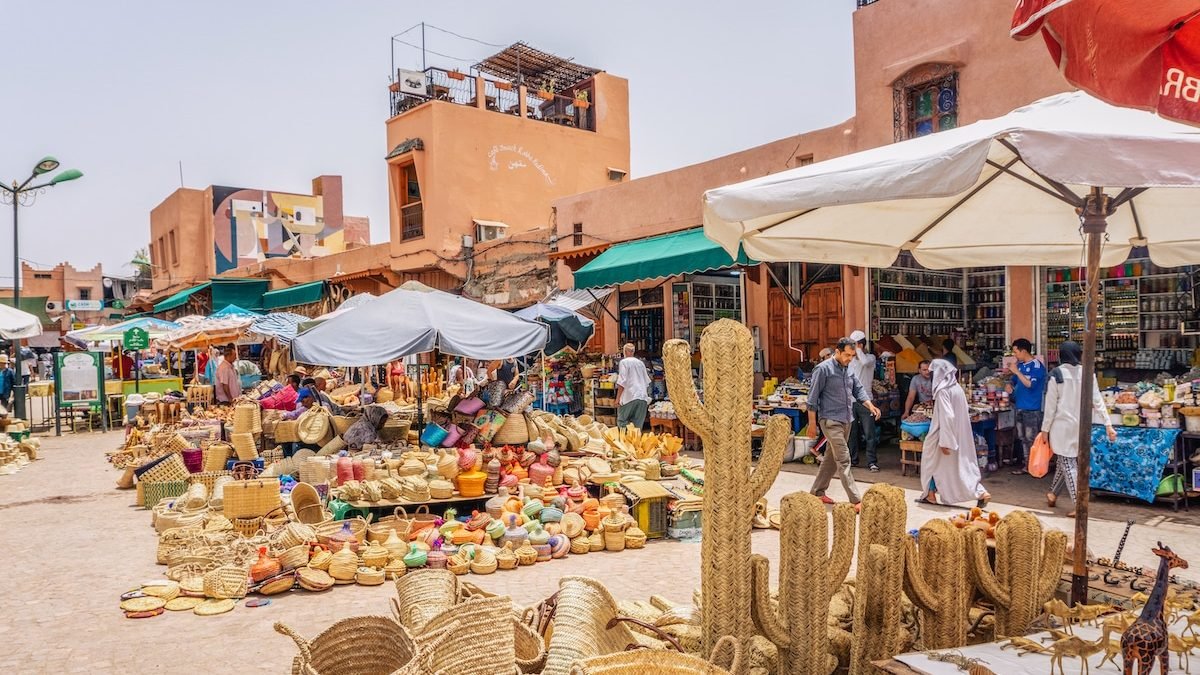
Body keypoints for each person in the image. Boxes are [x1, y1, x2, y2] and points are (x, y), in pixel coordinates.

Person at [1040, 341, 1116, 517]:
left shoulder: (1056, 374)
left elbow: (1050, 406)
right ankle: (1052, 494)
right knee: (1064, 461)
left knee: (1068, 463)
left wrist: (1045, 429)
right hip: (1082, 427)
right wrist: (1108, 424)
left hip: (1061, 426)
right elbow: (1097, 400)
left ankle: (1079, 504)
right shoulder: (1088, 373)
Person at [807, 337, 881, 508]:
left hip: (846, 420)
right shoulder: (823, 369)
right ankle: (856, 500)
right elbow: (812, 399)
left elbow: (858, 389)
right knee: (844, 458)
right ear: (837, 352)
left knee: (831, 459)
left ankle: (817, 492)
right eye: (847, 355)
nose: (849, 358)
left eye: (852, 355)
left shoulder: (848, 369)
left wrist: (870, 405)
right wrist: (812, 424)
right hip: (830, 420)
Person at [916, 359, 991, 507]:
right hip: (957, 435)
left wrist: (945, 441)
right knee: (961, 468)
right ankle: (979, 492)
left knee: (931, 463)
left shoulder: (943, 391)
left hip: (943, 435)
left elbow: (947, 416)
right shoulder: (957, 388)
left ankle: (930, 494)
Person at [1006, 338, 1047, 475]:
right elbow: (1015, 380)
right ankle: (1026, 465)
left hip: (1032, 408)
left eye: (1016, 352)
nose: (1015, 355)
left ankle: (1035, 466)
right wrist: (1010, 384)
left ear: (1024, 351)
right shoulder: (1021, 365)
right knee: (1022, 438)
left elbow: (1030, 385)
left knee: (1032, 439)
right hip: (1020, 406)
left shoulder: (1037, 366)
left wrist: (1017, 372)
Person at [847, 330, 879, 471]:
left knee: (869, 433)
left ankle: (872, 461)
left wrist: (858, 349)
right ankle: (853, 459)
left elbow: (865, 362)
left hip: (866, 400)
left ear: (860, 345)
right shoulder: (850, 360)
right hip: (850, 400)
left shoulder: (870, 358)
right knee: (851, 433)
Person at [615, 343, 651, 430]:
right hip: (642, 397)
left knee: (622, 422)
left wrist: (618, 398)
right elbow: (647, 382)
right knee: (637, 427)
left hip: (629, 397)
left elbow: (622, 382)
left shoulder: (624, 362)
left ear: (626, 352)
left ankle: (624, 442)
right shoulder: (641, 363)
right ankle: (636, 442)